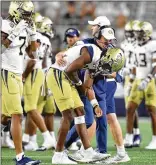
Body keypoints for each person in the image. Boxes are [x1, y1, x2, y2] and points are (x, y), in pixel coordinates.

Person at [46, 29, 117, 163]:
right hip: (59, 74)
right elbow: (69, 69)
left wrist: (95, 104)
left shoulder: (99, 57)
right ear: (97, 38)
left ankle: (88, 152)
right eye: (105, 39)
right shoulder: (92, 51)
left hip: (67, 77)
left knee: (80, 111)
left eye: (110, 40)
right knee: (67, 115)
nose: (108, 42)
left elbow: (87, 85)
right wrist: (79, 84)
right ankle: (58, 155)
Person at [1, 1, 41, 164]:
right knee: (17, 115)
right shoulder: (4, 24)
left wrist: (32, 35)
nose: (27, 17)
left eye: (29, 14)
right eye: (25, 14)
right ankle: (20, 157)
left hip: (17, 74)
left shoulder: (24, 26)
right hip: (6, 71)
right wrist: (15, 31)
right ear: (15, 12)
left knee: (4, 116)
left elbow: (33, 55)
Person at [124, 21, 156, 150]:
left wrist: (148, 79)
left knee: (151, 111)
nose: (136, 35)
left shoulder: (154, 45)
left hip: (150, 81)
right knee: (130, 109)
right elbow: (135, 66)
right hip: (137, 80)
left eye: (138, 32)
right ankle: (129, 137)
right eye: (135, 32)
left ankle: (155, 140)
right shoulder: (135, 46)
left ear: (146, 33)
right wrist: (130, 82)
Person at [22, 15, 56, 151]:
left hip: (37, 73)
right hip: (44, 74)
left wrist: (23, 75)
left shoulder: (37, 38)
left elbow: (33, 59)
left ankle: (46, 138)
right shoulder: (45, 39)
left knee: (32, 108)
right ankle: (30, 139)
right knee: (34, 109)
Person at [121, 20, 142, 148]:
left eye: (131, 32)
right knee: (130, 108)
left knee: (131, 107)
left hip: (135, 76)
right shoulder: (124, 44)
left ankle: (135, 134)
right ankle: (135, 134)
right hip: (127, 76)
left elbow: (136, 64)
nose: (129, 34)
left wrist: (132, 79)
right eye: (127, 32)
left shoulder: (139, 45)